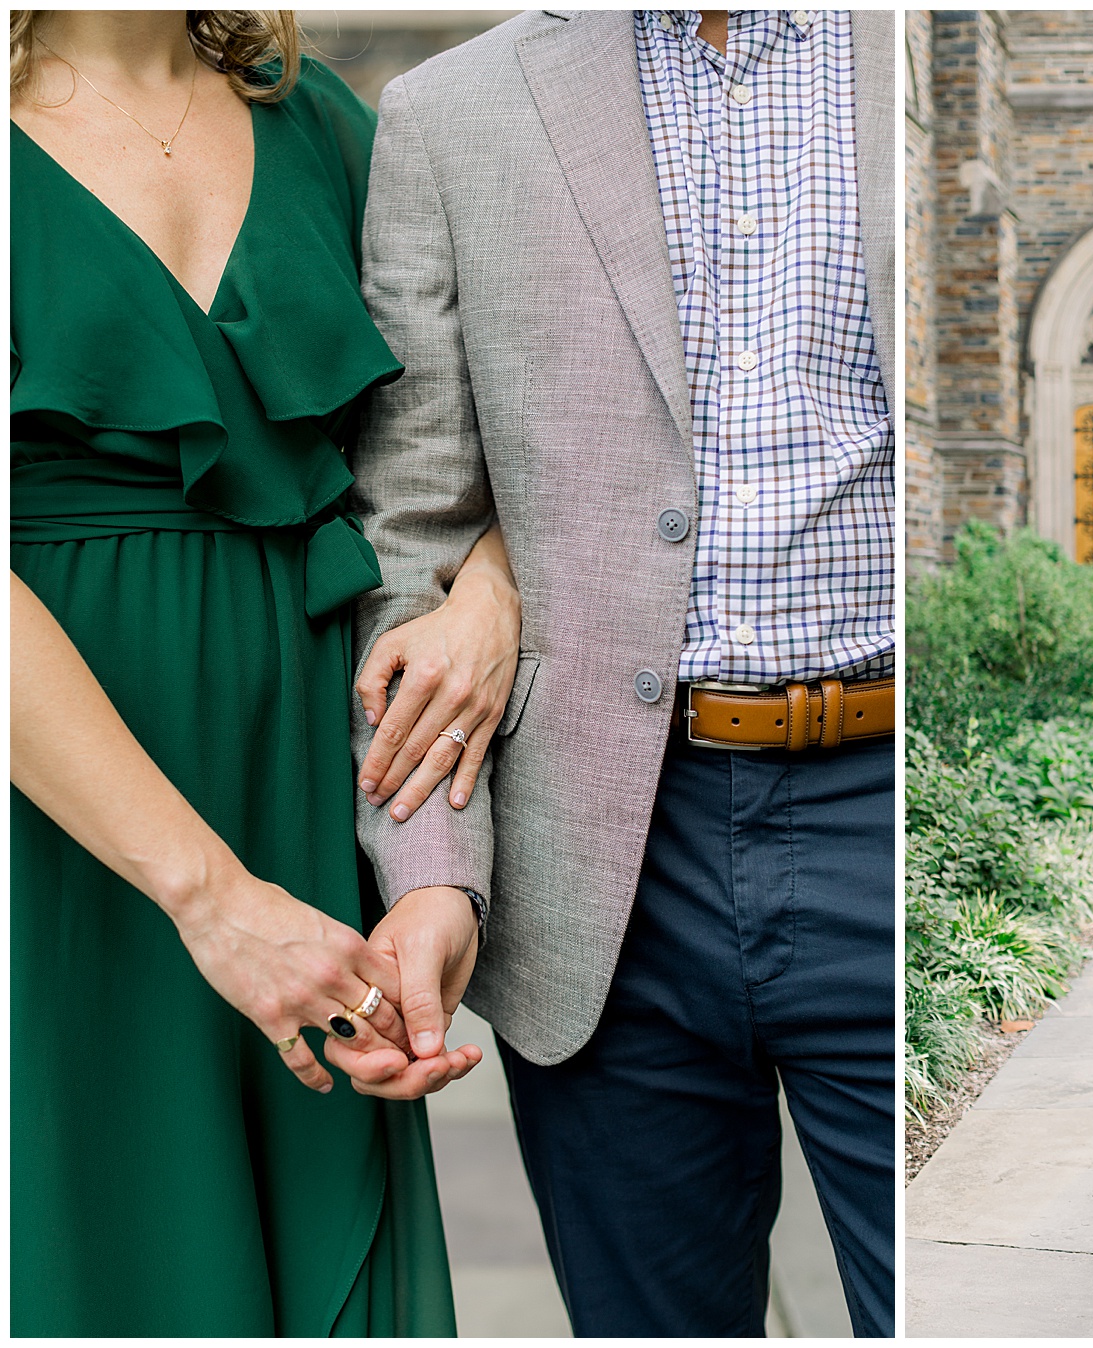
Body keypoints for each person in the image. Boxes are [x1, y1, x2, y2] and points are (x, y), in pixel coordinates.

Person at [345, 9, 897, 1336]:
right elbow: (411, 532)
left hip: (889, 806)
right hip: (600, 863)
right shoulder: (453, 111)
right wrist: (431, 874)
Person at [10, 10, 519, 1334]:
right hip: (58, 830)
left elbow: (469, 442)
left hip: (307, 801)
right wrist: (216, 901)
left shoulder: (324, 124)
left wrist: (493, 588)